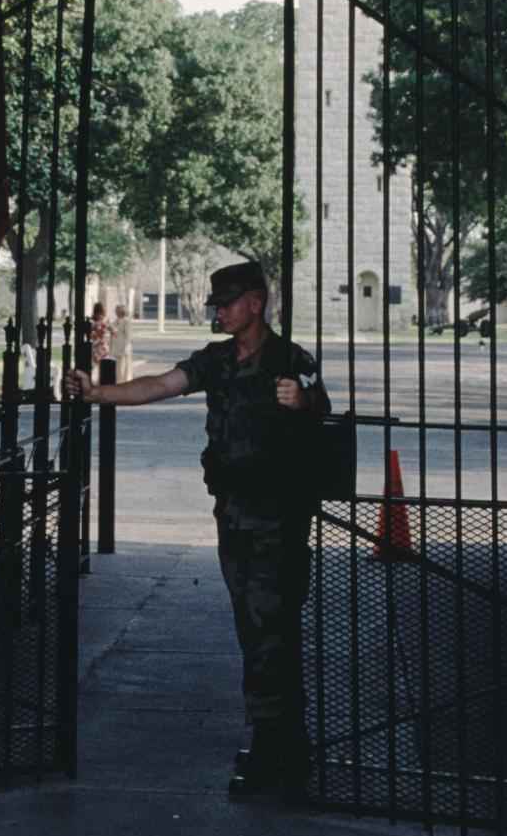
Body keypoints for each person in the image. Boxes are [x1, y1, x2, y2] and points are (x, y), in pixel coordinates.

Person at [64, 259, 328, 799]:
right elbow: (162, 384)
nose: (218, 311)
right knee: (254, 630)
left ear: (255, 303)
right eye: (216, 303)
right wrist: (97, 394)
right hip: (233, 517)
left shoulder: (289, 360)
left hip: (278, 519)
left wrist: (302, 401)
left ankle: (278, 746)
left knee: (272, 631)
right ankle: (281, 740)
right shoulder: (217, 360)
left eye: (227, 302)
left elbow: (322, 412)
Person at [110, 304, 134, 384]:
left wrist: (125, 347)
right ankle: (117, 380)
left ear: (122, 312)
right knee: (117, 365)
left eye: (118, 311)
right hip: (116, 345)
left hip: (123, 345)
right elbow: (114, 331)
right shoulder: (115, 321)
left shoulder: (126, 321)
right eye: (116, 311)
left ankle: (125, 381)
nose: (116, 313)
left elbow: (128, 335)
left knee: (123, 365)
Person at [88, 302, 112, 368]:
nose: (100, 315)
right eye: (98, 313)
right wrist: (99, 333)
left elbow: (111, 331)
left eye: (101, 313)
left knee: (103, 365)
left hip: (103, 345)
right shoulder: (92, 322)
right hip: (96, 345)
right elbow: (92, 335)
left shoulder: (105, 321)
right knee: (95, 364)